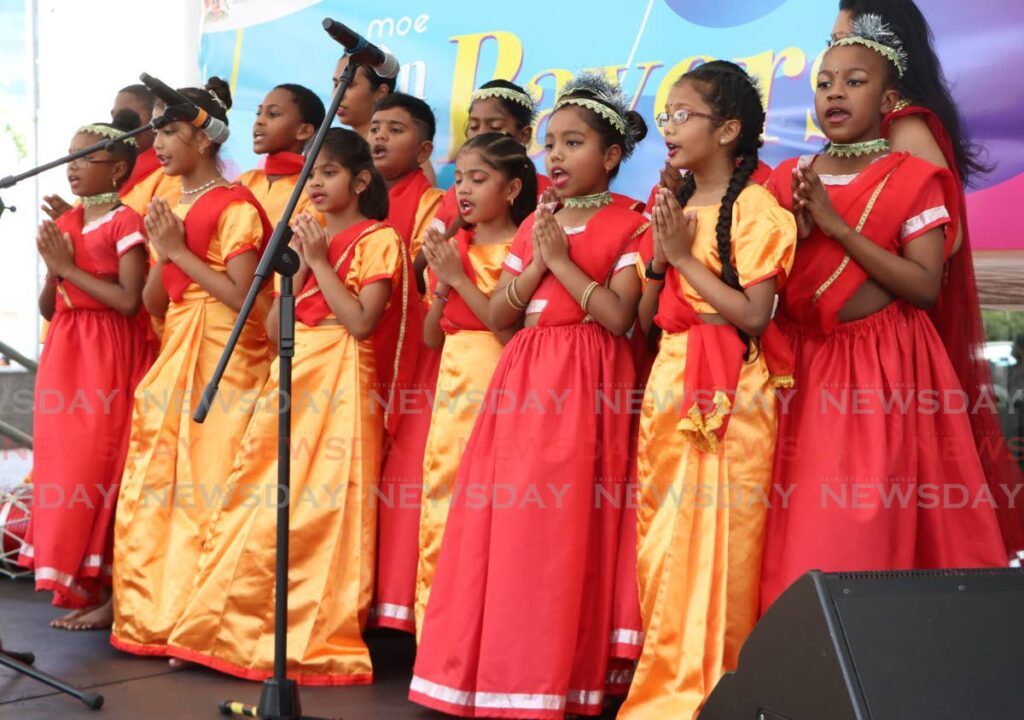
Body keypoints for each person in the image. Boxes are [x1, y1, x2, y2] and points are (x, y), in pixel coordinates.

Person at [410, 72, 648, 719]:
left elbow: (621, 317)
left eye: (573, 143)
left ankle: (554, 677)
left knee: (562, 529)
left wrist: (561, 260)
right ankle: (495, 673)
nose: (557, 156)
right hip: (523, 376)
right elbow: (499, 316)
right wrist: (539, 259)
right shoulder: (539, 222)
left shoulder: (634, 221)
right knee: (508, 526)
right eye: (551, 144)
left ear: (612, 155)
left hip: (586, 380)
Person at [759, 17, 1007, 610]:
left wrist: (837, 227)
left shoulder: (915, 178)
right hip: (797, 372)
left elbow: (924, 285)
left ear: (890, 99)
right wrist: (789, 232)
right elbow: (765, 286)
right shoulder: (784, 180)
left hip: (881, 369)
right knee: (787, 538)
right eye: (824, 83)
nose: (835, 93)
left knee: (858, 532)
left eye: (854, 81)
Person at [167, 129, 412, 683]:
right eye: (311, 174)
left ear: (361, 180)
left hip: (343, 381)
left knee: (322, 512)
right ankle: (220, 632)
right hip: (291, 374)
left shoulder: (380, 238)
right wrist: (297, 263)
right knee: (255, 501)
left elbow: (361, 322)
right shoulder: (304, 240)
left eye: (327, 173)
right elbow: (278, 319)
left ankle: (306, 639)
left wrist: (320, 259)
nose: (315, 184)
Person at [618, 61, 797, 720]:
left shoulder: (755, 209)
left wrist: (684, 254)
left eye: (682, 115)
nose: (668, 127)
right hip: (669, 380)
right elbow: (643, 319)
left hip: (731, 392)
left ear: (727, 129)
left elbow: (754, 315)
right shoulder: (671, 207)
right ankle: (663, 688)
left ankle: (716, 694)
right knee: (663, 544)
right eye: (665, 115)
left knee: (722, 545)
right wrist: (663, 258)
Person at [834, 0, 1024, 563]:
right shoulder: (867, 134)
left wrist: (848, 245)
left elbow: (948, 238)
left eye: (850, 37)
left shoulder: (906, 122)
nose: (840, 52)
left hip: (894, 330)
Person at [111, 78, 274, 656]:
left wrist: (176, 251)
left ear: (205, 141)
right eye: (156, 129)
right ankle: (158, 613)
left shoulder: (235, 206)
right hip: (179, 343)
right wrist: (166, 250)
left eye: (172, 130)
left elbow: (246, 298)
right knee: (161, 483)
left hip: (224, 354)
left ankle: (206, 625)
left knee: (208, 483)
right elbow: (157, 303)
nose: (158, 141)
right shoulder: (175, 207)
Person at [18, 113, 155, 631]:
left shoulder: (125, 222)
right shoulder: (71, 222)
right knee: (65, 467)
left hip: (108, 354)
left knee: (103, 469)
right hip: (66, 353)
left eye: (84, 159)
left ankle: (114, 592)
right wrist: (57, 269)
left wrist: (69, 267)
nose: (71, 169)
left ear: (119, 169)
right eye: (69, 158)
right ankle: (84, 582)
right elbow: (50, 307)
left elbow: (128, 301)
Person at [415, 132, 538, 634]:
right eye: (459, 178)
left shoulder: (523, 246)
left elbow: (510, 332)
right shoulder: (454, 247)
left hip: (500, 380)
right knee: (441, 496)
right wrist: (444, 282)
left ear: (511, 190)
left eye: (478, 179)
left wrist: (461, 277)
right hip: (452, 386)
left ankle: (484, 631)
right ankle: (436, 633)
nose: (463, 190)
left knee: (489, 505)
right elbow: (430, 337)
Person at [368, 92, 445, 632]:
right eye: (374, 127)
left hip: (413, 352)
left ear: (423, 150)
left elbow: (418, 281)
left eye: (395, 129)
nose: (378, 137)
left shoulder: (436, 202)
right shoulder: (339, 202)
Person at [236, 83, 325, 227]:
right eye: (259, 113)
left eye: (273, 114)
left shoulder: (312, 189)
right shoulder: (246, 180)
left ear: (304, 131)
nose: (259, 121)